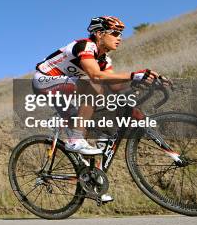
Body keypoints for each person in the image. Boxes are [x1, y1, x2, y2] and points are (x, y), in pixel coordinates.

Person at [33, 16, 171, 155]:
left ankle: (86, 172)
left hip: (64, 86)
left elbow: (115, 86)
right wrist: (134, 75)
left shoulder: (104, 59)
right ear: (99, 34)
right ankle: (76, 139)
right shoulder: (85, 46)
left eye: (120, 35)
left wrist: (147, 81)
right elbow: (96, 75)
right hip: (44, 81)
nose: (119, 38)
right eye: (115, 34)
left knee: (85, 124)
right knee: (95, 87)